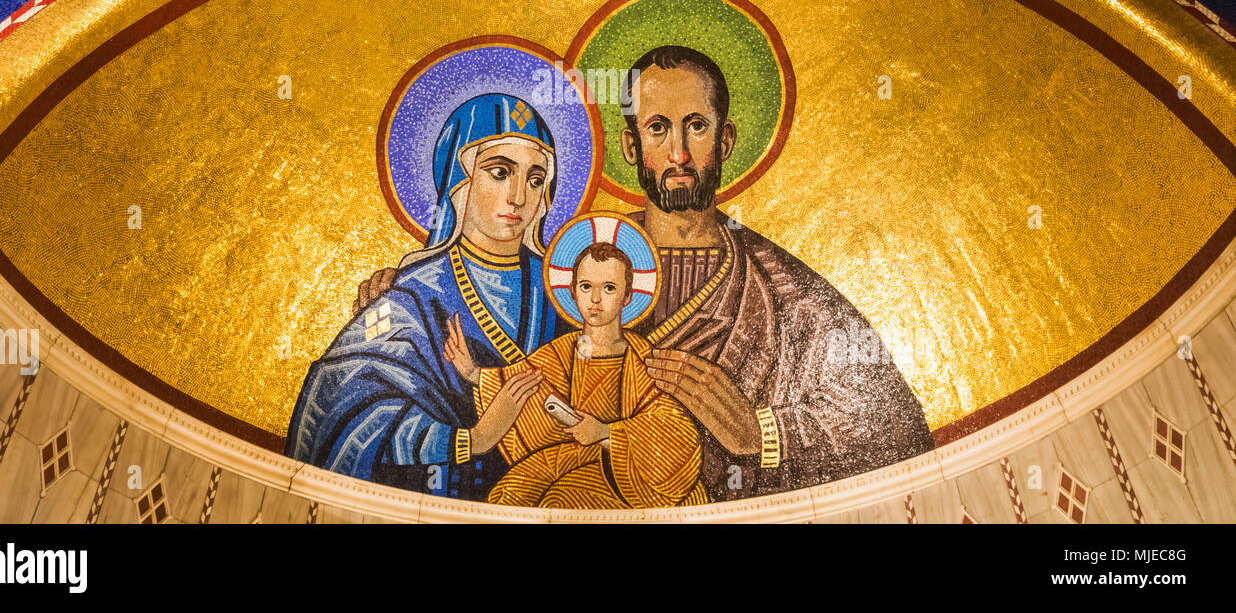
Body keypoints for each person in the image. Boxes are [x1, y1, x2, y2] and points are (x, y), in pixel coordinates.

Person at [622, 45, 935, 499]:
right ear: (632, 146)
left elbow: (895, 426)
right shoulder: (577, 270)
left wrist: (763, 434)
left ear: (724, 139)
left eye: (696, 126)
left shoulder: (785, 288)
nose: (679, 154)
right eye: (657, 129)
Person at [285, 93, 565, 499]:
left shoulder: (564, 292)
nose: (519, 196)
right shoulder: (406, 298)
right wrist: (474, 438)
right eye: (500, 172)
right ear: (458, 180)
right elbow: (342, 401)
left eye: (536, 179)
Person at [446, 240, 706, 509]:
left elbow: (675, 432)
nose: (595, 299)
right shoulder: (561, 352)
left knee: (561, 501)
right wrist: (474, 374)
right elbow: (526, 386)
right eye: (586, 287)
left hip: (626, 475)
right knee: (508, 495)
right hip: (568, 457)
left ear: (627, 296)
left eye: (609, 288)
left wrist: (606, 433)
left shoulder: (643, 360)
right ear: (572, 291)